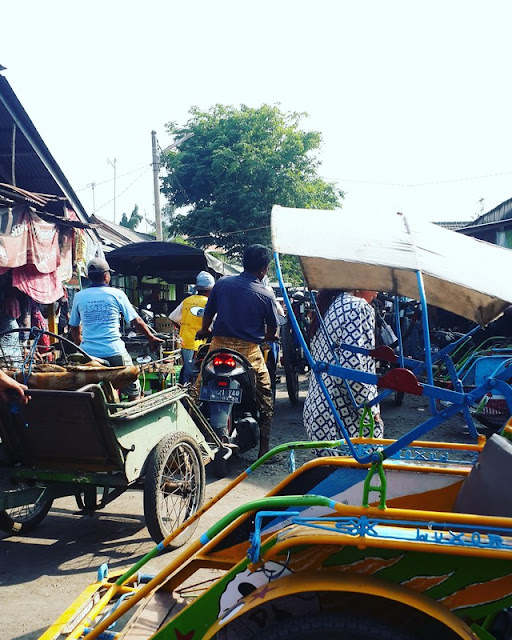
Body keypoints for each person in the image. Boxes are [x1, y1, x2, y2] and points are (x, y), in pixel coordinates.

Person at [196, 245, 280, 457]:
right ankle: (264, 450)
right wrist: (268, 337)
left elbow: (209, 312)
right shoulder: (266, 294)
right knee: (265, 398)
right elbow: (272, 329)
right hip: (249, 353)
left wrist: (204, 330)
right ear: (264, 269)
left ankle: (186, 441)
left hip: (217, 348)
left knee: (194, 392)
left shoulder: (222, 284)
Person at [69, 257, 163, 401]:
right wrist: (151, 337)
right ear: (106, 276)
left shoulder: (79, 296)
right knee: (133, 390)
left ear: (88, 276)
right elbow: (136, 321)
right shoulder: (117, 294)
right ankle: (133, 415)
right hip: (114, 351)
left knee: (87, 391)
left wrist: (80, 343)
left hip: (88, 353)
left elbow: (74, 326)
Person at [303, 289, 383, 453]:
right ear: (359, 284)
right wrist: (369, 410)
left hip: (319, 409)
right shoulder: (358, 307)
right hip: (341, 418)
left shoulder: (332, 304)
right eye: (374, 285)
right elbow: (352, 368)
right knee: (361, 474)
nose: (376, 293)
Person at [169, 270, 215, 383]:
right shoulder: (210, 302)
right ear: (210, 289)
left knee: (187, 371)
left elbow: (172, 318)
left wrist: (181, 328)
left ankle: (185, 394)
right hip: (203, 344)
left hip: (186, 341)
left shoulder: (187, 301)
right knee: (200, 371)